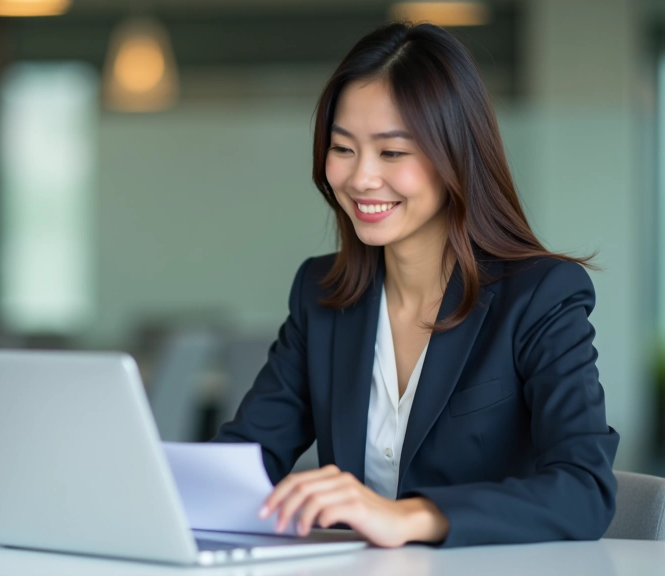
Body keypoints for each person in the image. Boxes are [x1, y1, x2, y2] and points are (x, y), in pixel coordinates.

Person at [212, 21, 620, 549]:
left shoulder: (541, 296)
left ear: (456, 156)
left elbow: (585, 490)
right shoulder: (322, 294)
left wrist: (409, 517)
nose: (360, 179)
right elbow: (246, 459)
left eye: (393, 152)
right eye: (343, 148)